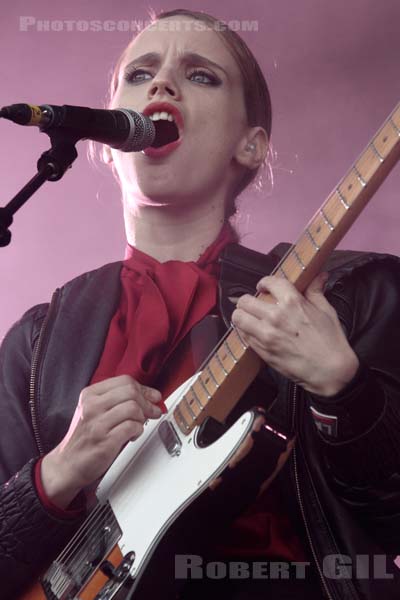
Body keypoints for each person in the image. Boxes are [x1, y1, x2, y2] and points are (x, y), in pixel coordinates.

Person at [1, 8, 400, 600]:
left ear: (252, 145)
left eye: (201, 75)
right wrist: (53, 475)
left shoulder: (344, 293)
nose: (160, 84)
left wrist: (344, 390)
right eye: (139, 74)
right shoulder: (37, 343)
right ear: (108, 145)